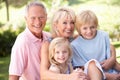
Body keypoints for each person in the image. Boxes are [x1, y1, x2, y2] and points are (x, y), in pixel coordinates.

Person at [40, 7, 103, 80]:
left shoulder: (77, 39)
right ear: (55, 25)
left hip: (79, 75)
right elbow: (44, 75)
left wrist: (112, 58)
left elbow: (101, 43)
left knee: (92, 65)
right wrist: (69, 77)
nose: (69, 27)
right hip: (62, 77)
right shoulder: (48, 44)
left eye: (72, 22)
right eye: (65, 23)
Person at [71, 10, 120, 80]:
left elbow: (110, 50)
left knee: (115, 64)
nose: (89, 31)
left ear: (96, 26)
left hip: (110, 69)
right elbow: (81, 67)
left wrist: (112, 59)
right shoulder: (75, 45)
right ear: (79, 29)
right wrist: (105, 75)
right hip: (91, 75)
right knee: (92, 64)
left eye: (92, 27)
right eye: (85, 28)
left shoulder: (103, 36)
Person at [9, 1, 50, 80]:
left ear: (46, 17)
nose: (37, 22)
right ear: (26, 19)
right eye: (33, 18)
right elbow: (13, 77)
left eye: (41, 17)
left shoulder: (49, 36)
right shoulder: (22, 42)